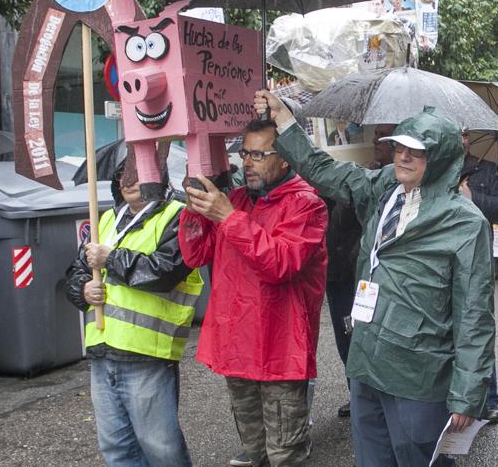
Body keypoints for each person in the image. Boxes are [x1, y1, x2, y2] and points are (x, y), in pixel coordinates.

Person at [254, 90, 495, 466]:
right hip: (367, 361)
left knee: (416, 458)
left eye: (416, 151)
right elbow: (326, 172)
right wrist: (285, 121)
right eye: (399, 147)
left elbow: (475, 314)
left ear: (442, 158)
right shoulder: (385, 187)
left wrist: (467, 392)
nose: (403, 156)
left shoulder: (465, 222)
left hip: (419, 375)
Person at [179, 119, 329, 467]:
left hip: (279, 350)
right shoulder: (235, 200)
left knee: (285, 455)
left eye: (259, 154)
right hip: (237, 348)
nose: (248, 162)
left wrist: (229, 218)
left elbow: (280, 263)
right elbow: (195, 255)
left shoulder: (307, 205)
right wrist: (194, 211)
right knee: (254, 451)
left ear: (286, 158)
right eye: (245, 152)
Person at [65, 157, 200, 467]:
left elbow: (164, 272)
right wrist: (83, 289)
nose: (128, 180)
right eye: (124, 173)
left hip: (147, 355)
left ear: (159, 176)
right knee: (116, 448)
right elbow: (76, 272)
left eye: (138, 173)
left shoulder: (178, 217)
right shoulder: (107, 219)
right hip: (103, 350)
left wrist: (111, 258)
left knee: (161, 448)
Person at [324, 124, 396, 421]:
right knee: (347, 337)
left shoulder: (398, 187)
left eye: (383, 138)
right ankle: (358, 395)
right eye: (375, 136)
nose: (375, 142)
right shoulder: (360, 175)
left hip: (369, 277)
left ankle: (377, 400)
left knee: (375, 340)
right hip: (341, 274)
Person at [459, 130, 498, 425]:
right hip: (441, 266)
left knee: (478, 330)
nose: (461, 139)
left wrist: (472, 196)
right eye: (455, 133)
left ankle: (489, 398)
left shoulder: (486, 170)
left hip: (477, 264)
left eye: (465, 134)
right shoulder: (429, 171)